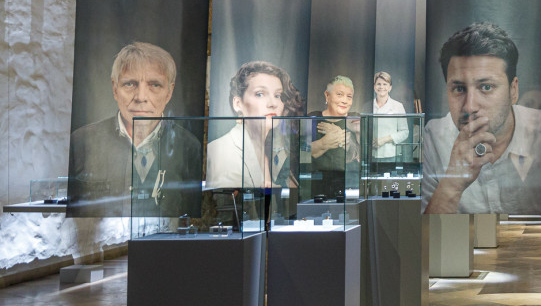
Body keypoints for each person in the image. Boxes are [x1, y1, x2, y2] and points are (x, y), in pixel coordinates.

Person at [421, 22, 541, 216]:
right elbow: (426, 232)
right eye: (459, 89)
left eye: (486, 87)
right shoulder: (433, 138)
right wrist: (452, 184)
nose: (470, 106)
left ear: (513, 90)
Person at [68, 42, 201, 218]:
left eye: (155, 85)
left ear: (169, 92)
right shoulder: (81, 142)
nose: (141, 97)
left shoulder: (189, 147)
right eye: (130, 84)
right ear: (115, 89)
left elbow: (191, 217)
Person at [206, 61, 298, 191]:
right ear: (238, 103)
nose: (273, 103)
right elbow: (229, 202)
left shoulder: (276, 151)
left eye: (277, 95)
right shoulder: (222, 151)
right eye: (260, 94)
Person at [308, 76, 359, 199]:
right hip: (316, 183)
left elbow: (362, 154)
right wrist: (324, 142)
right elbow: (303, 154)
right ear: (327, 95)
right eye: (339, 94)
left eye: (349, 96)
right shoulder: (312, 118)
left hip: (349, 182)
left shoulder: (355, 120)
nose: (345, 101)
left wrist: (340, 137)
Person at [370, 71, 411, 164]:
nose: (381, 87)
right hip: (370, 154)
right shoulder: (368, 106)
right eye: (378, 84)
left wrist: (385, 139)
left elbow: (405, 132)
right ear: (374, 87)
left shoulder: (398, 106)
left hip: (391, 155)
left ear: (390, 87)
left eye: (385, 84)